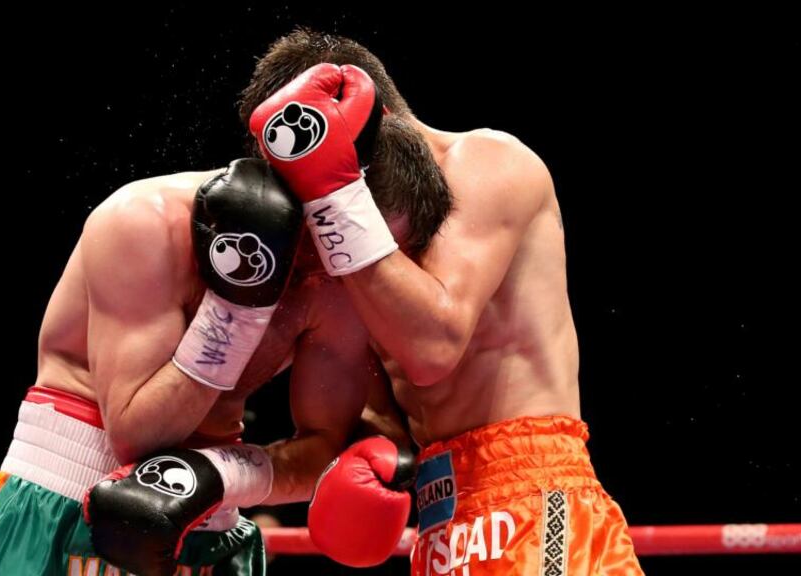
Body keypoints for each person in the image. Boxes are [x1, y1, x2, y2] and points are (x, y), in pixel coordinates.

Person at [240, 29, 644, 575]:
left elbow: (433, 346)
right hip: (440, 521)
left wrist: (334, 197)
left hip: (534, 498)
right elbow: (374, 401)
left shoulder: (489, 164)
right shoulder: (346, 235)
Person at [0, 158, 385, 575]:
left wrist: (221, 476)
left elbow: (326, 448)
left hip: (211, 529)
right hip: (63, 497)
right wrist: (238, 307)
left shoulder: (341, 273)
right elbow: (137, 434)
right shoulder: (145, 219)